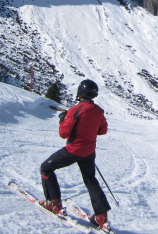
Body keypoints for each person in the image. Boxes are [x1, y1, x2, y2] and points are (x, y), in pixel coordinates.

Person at [39, 79, 111, 230]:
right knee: (91, 180)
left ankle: (54, 203)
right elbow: (102, 130)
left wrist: (62, 120)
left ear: (80, 93)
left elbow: (63, 133)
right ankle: (101, 217)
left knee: (46, 168)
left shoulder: (75, 110)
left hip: (73, 150)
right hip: (89, 152)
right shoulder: (98, 111)